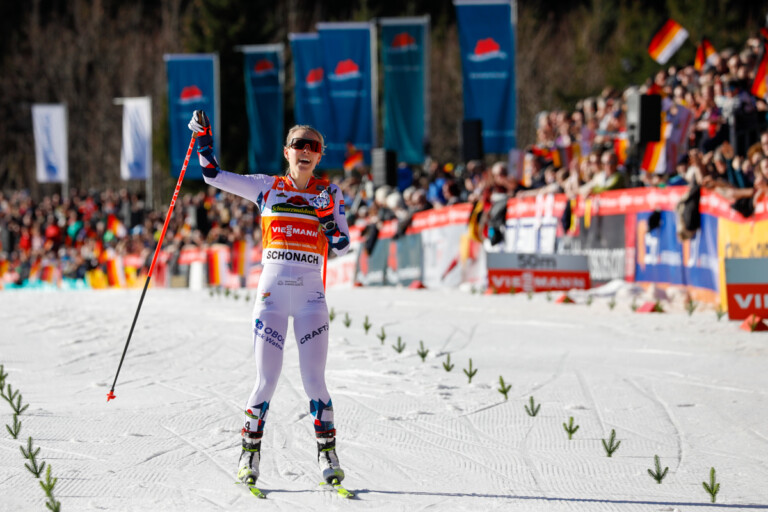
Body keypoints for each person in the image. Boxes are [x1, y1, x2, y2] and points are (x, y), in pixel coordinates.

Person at [188, 111, 351, 490]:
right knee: (265, 381)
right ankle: (249, 455)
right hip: (272, 299)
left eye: (313, 146)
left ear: (320, 155)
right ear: (286, 151)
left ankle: (328, 456)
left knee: (315, 382)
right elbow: (212, 175)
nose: (305, 151)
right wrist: (203, 139)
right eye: (299, 144)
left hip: (310, 300)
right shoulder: (266, 187)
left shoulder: (330, 193)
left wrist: (327, 219)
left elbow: (343, 246)